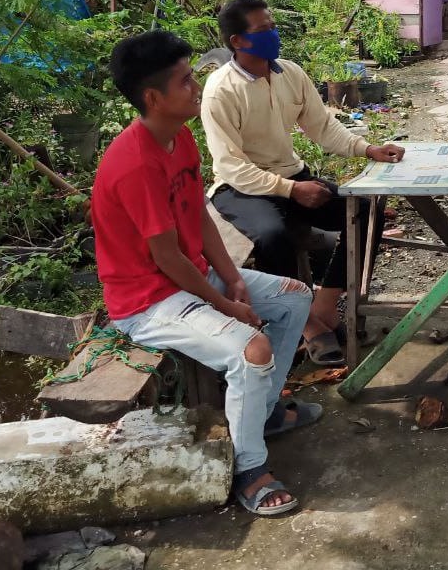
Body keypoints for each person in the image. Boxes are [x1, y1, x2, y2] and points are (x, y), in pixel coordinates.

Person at [91, 30, 315, 517]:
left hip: (189, 278)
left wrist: (232, 275)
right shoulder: (134, 163)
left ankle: (264, 413)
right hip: (148, 301)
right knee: (252, 351)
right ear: (153, 97)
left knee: (295, 296)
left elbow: (196, 217)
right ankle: (249, 470)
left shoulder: (179, 138)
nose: (197, 87)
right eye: (186, 80)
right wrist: (227, 304)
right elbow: (166, 258)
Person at [201, 0, 404, 366]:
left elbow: (321, 125)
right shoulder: (220, 89)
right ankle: (299, 320)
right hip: (239, 188)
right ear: (237, 41)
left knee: (362, 212)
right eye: (263, 30)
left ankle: (323, 307)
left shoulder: (289, 74)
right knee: (274, 236)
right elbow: (230, 164)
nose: (273, 34)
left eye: (272, 25)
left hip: (290, 175)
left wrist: (366, 148)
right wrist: (292, 190)